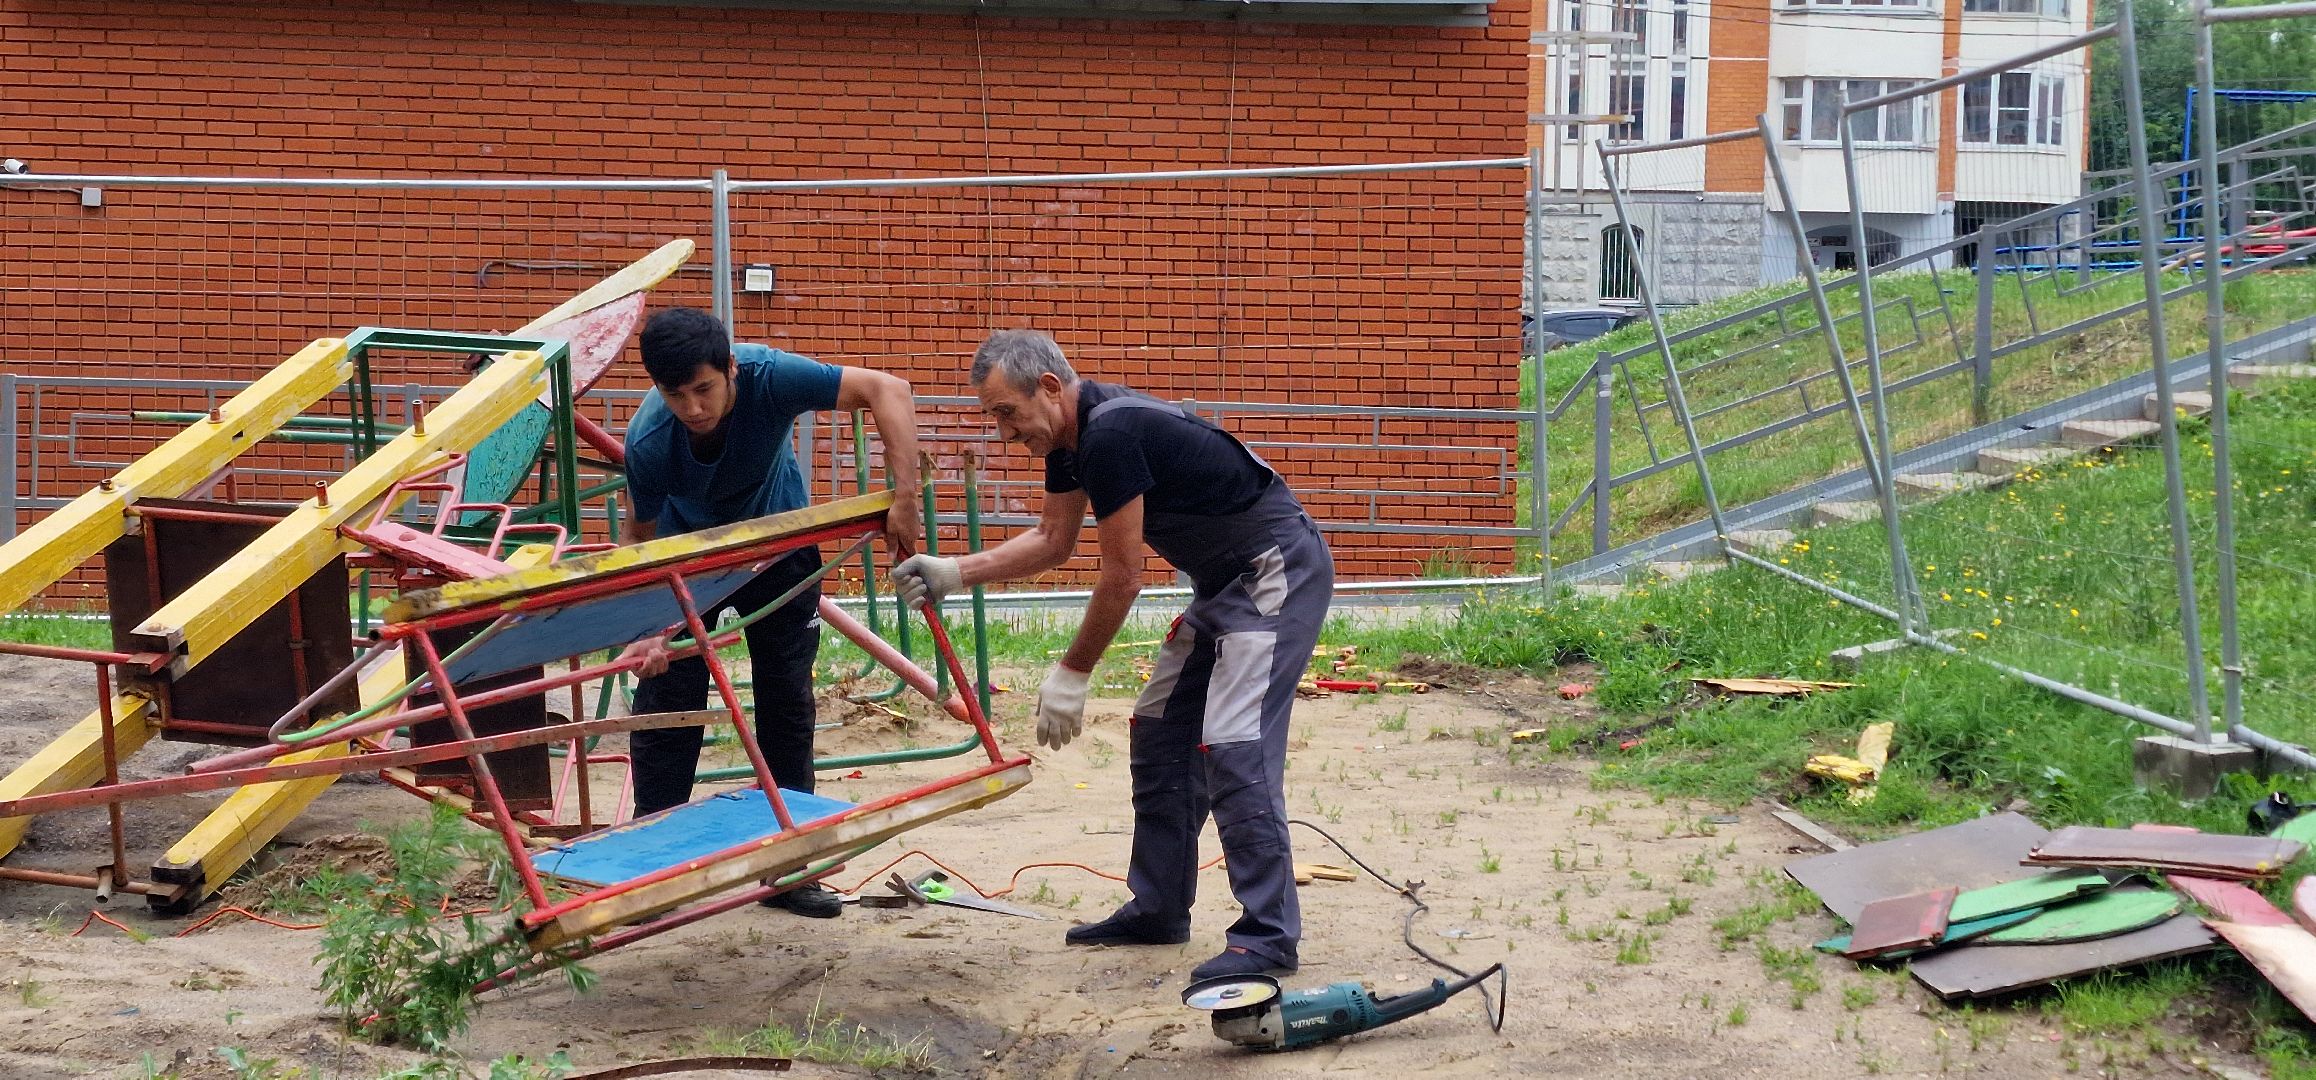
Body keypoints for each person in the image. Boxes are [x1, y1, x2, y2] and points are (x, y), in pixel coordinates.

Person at [890, 329, 1333, 981]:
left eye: (1006, 413)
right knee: (1160, 727)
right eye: (996, 419)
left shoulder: (1111, 433)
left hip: (1274, 570)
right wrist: (953, 572)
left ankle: (1267, 937)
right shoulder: (1072, 443)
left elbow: (1124, 576)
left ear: (1048, 387)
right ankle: (1158, 907)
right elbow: (1051, 538)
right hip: (1224, 586)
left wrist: (1072, 672)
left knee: (1235, 741)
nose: (1007, 435)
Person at [616, 307, 922, 919]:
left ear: (730, 369)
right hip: (690, 562)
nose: (694, 408)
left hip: (778, 547)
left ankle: (791, 870)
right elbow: (639, 543)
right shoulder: (650, 441)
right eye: (677, 396)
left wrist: (904, 499)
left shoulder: (771, 376)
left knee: (786, 700)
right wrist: (646, 630)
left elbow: (889, 389)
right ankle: (654, 871)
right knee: (667, 709)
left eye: (704, 389)